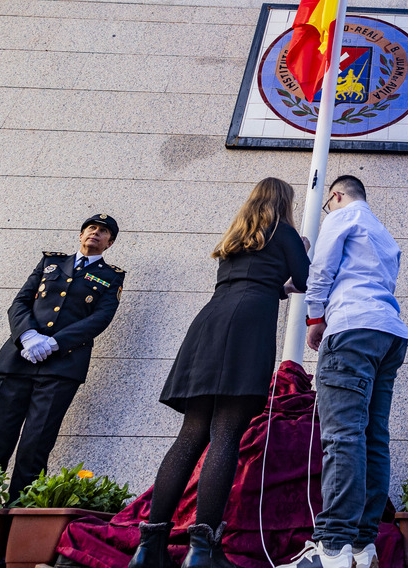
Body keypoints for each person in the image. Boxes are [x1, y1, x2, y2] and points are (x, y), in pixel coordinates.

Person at [130, 178, 310, 568]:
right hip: (247, 326)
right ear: (285, 201)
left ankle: (149, 548)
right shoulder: (285, 231)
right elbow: (307, 279)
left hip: (209, 323)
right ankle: (203, 550)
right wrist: (302, 256)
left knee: (191, 434)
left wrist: (279, 286)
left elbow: (254, 278)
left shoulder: (236, 236)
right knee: (226, 432)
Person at [280, 175, 408, 568]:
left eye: (328, 203)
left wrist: (315, 318)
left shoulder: (343, 216)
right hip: (388, 334)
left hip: (351, 328)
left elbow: (320, 271)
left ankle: (331, 547)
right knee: (373, 438)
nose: (328, 209)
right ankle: (361, 545)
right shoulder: (382, 233)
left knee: (341, 436)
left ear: (336, 195)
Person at [0, 213, 126, 502]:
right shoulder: (51, 263)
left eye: (103, 231)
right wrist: (29, 336)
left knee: (36, 443)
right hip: (19, 359)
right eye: (91, 228)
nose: (95, 232)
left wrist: (56, 343)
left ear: (109, 243)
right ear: (81, 235)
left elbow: (101, 318)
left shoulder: (111, 277)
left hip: (62, 367)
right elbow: (20, 302)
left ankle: (21, 509)